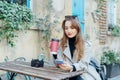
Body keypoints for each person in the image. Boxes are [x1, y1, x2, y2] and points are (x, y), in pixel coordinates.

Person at [53, 15, 102, 80]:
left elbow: (83, 64)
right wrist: (54, 54)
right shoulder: (61, 44)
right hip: (67, 74)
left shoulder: (86, 45)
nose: (69, 31)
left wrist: (72, 67)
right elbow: (58, 63)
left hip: (84, 73)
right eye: (66, 28)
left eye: (72, 28)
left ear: (77, 29)